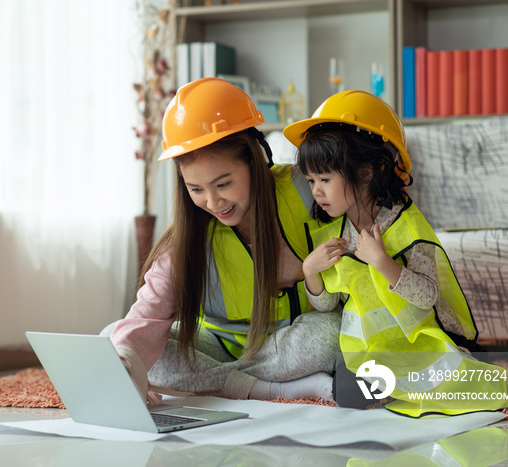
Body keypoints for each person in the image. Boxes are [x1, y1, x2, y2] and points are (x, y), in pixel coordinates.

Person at [103, 77, 341, 405]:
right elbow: (149, 312)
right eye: (196, 189)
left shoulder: (306, 189)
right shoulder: (186, 239)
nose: (213, 202)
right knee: (114, 342)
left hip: (289, 342)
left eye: (223, 184)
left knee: (330, 336)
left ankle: (220, 381)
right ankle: (269, 389)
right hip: (218, 347)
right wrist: (126, 364)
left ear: (252, 159)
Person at [283, 89, 508, 417]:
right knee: (349, 394)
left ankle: (470, 368)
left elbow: (427, 295)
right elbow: (329, 305)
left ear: (366, 173)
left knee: (477, 390)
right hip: (368, 352)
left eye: (325, 178)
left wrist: (381, 261)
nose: (316, 191)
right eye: (311, 180)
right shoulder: (334, 231)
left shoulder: (405, 227)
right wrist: (311, 271)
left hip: (415, 344)